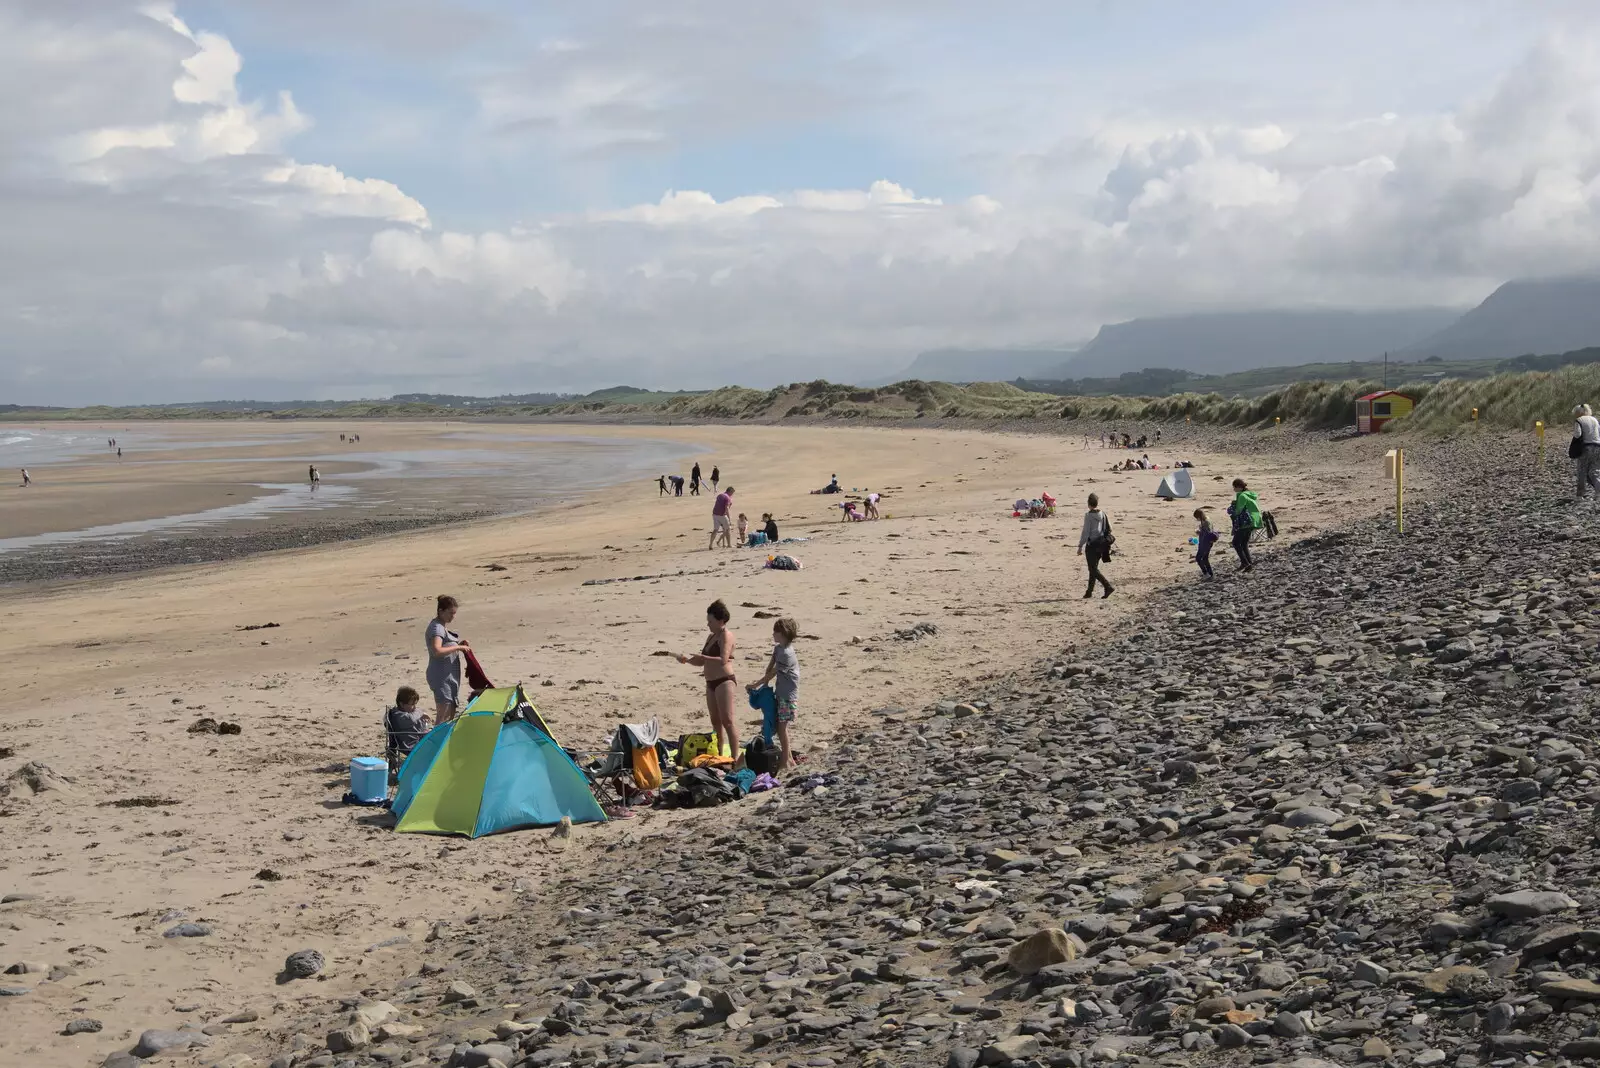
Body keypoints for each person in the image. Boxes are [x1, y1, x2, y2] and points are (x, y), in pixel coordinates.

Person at [678, 600, 739, 764]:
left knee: (728, 720)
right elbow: (702, 662)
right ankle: (719, 753)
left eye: (710, 621)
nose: (708, 624)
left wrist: (703, 657)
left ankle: (735, 757)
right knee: (715, 721)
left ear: (720, 621)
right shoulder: (711, 637)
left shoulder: (726, 635)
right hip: (710, 682)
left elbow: (723, 660)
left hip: (724, 681)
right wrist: (688, 660)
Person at [748, 617, 801, 774]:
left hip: (788, 696)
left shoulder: (786, 653)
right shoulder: (779, 649)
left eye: (775, 632)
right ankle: (789, 758)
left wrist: (755, 685)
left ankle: (785, 761)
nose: (773, 634)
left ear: (783, 634)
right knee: (780, 727)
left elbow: (772, 673)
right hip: (781, 693)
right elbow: (770, 665)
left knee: (781, 727)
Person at [425, 595, 470, 725]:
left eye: (454, 613)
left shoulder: (442, 626)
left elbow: (446, 646)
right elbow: (437, 650)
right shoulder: (437, 628)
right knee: (443, 717)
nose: (453, 617)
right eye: (450, 613)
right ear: (441, 611)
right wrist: (459, 647)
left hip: (449, 676)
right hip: (441, 676)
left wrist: (459, 644)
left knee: (450, 715)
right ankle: (439, 743)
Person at [1077, 492, 1114, 599]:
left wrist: (1080, 546)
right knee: (1093, 568)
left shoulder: (1088, 516)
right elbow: (1110, 527)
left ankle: (1108, 587)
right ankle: (1089, 592)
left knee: (1092, 569)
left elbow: (1085, 532)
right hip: (1101, 544)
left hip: (1092, 545)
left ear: (1089, 504)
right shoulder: (1102, 513)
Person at [385, 686, 430, 768]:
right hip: (410, 746)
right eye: (412, 704)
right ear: (402, 704)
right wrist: (421, 714)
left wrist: (423, 722)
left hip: (418, 740)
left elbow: (415, 718)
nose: (414, 707)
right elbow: (412, 719)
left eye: (415, 704)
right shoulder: (399, 715)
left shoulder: (407, 713)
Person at [1227, 478, 1263, 571]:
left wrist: (1231, 510)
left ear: (1239, 487)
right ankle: (1248, 564)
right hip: (1254, 520)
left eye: (1234, 487)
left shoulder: (1242, 496)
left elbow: (1238, 510)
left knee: (1236, 543)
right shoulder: (1249, 494)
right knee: (1243, 543)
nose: (1234, 489)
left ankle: (1246, 563)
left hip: (1246, 521)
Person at [1573, 404, 1600, 498]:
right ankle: (1598, 489)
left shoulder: (1579, 420)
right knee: (1594, 471)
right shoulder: (1595, 420)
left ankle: (1580, 494)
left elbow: (1577, 434)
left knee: (1582, 470)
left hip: (1586, 447)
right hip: (1597, 447)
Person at [1194, 507, 1218, 579]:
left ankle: (1206, 573)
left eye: (1197, 518)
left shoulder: (1206, 522)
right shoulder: (1207, 519)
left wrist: (1199, 532)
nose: (1197, 519)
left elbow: (1206, 533)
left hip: (1205, 543)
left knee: (1199, 558)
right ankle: (1210, 574)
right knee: (1205, 558)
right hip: (1207, 543)